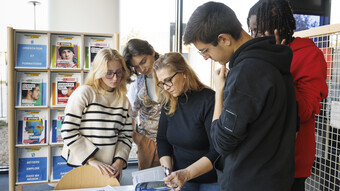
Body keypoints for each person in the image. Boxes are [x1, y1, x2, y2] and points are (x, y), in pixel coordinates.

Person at [183, 2, 298, 191]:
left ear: (224, 39)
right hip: (277, 178)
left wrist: (219, 90)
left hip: (248, 182)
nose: (205, 57)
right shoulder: (276, 61)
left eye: (205, 50)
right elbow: (293, 127)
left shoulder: (246, 72)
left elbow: (221, 142)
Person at [247, 0, 329, 190]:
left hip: (290, 162)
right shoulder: (258, 54)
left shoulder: (309, 55)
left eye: (259, 31)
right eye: (252, 31)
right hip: (258, 158)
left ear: (281, 28)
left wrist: (278, 66)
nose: (254, 37)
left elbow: (305, 110)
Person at [61, 48, 133, 180]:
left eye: (119, 72)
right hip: (85, 165)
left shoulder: (124, 100)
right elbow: (68, 130)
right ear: (99, 72)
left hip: (111, 169)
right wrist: (92, 160)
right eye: (109, 73)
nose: (115, 78)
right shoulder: (84, 93)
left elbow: (126, 136)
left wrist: (119, 161)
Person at [153, 52, 219, 191]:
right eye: (161, 83)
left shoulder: (209, 100)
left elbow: (216, 151)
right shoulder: (168, 102)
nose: (166, 87)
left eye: (168, 80)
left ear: (183, 73)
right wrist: (168, 171)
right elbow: (162, 140)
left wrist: (187, 174)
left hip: (210, 179)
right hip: (180, 177)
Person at [123, 39, 161, 170]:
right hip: (146, 142)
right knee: (147, 184)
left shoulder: (171, 75)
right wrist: (137, 139)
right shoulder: (136, 84)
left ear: (152, 51)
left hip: (173, 140)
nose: (142, 69)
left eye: (143, 61)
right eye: (137, 67)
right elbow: (131, 115)